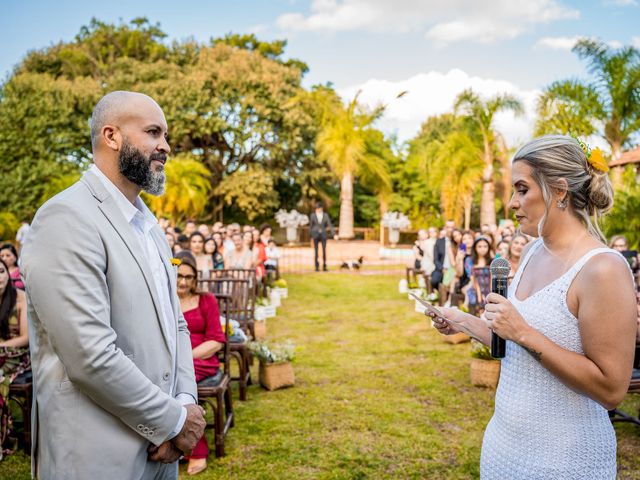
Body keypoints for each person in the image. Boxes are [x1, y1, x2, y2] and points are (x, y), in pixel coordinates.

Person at [21, 91, 205, 479]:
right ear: (111, 136)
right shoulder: (65, 217)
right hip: (97, 455)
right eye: (154, 132)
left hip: (161, 453)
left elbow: (177, 324)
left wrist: (186, 401)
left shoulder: (149, 227)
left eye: (165, 134)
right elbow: (90, 355)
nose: (166, 146)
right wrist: (174, 421)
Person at [431, 135, 637, 479]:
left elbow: (612, 389)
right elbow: (513, 343)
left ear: (559, 191)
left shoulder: (602, 268)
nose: (512, 203)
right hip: (504, 446)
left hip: (564, 460)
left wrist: (524, 333)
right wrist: (463, 322)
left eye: (522, 189)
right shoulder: (531, 252)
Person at [174, 252, 226, 476]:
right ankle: (169, 441)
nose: (183, 282)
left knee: (180, 384)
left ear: (195, 279)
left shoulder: (206, 300)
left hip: (201, 360)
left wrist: (187, 358)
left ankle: (195, 449)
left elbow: (216, 340)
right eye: (179, 276)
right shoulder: (162, 300)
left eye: (189, 277)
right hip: (171, 361)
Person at [0, 258, 30, 459]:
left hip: (17, 355)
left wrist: (2, 346)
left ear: (8, 273)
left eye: (1, 271)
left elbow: (26, 338)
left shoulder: (20, 298)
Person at [466, 236, 493, 314]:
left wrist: (490, 293)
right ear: (475, 248)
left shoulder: (492, 260)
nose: (482, 249)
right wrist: (480, 295)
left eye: (485, 246)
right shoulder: (469, 260)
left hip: (489, 287)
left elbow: (492, 278)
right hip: (475, 288)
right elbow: (472, 278)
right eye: (479, 246)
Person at [309, 202, 338, 272]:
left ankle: (324, 266)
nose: (319, 209)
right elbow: (311, 226)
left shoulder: (325, 215)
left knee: (324, 251)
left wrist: (334, 234)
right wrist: (311, 235)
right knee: (316, 251)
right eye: (318, 208)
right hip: (315, 234)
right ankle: (316, 266)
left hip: (323, 235)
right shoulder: (312, 215)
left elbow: (329, 224)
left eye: (320, 208)